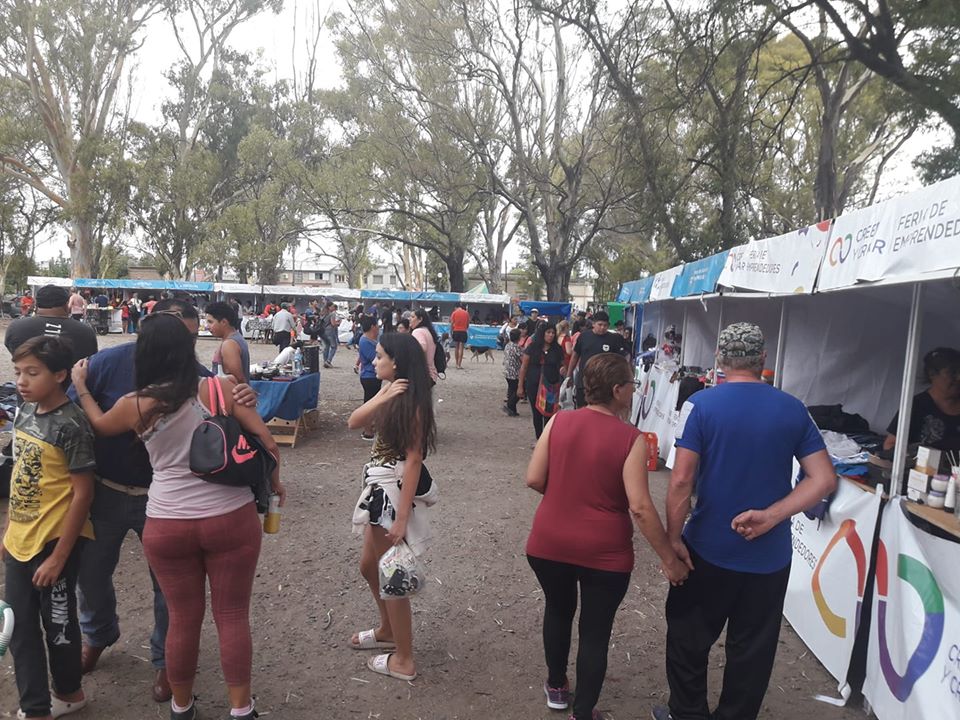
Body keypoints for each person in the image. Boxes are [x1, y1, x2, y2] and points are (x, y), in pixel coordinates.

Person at [71, 312, 284, 720]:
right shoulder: (219, 389)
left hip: (167, 522)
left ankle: (181, 706)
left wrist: (82, 386)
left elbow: (98, 424)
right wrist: (275, 480)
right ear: (188, 349)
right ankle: (242, 709)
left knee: (183, 618)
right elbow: (268, 443)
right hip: (230, 517)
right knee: (233, 615)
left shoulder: (136, 404)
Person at [653, 323, 836, 720]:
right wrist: (772, 516)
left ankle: (687, 714)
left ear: (719, 360)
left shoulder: (702, 405)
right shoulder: (792, 407)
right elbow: (823, 478)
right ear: (763, 361)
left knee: (688, 640)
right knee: (752, 650)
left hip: (708, 548)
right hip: (769, 557)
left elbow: (682, 479)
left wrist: (673, 539)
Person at [526, 353, 690, 720]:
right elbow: (641, 507)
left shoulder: (558, 422)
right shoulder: (631, 439)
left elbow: (534, 478)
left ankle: (556, 685)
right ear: (617, 391)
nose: (635, 388)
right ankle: (583, 712)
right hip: (605, 551)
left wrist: (569, 493)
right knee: (595, 631)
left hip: (549, 540)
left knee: (557, 609)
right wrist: (669, 558)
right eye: (631, 383)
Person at [4, 336, 96, 720]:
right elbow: (20, 474)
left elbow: (82, 494)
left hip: (54, 543)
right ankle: (36, 708)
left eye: (32, 373)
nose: (22, 382)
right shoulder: (24, 411)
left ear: (60, 375)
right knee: (18, 628)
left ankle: (69, 693)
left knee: (58, 625)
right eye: (18, 373)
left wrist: (59, 557)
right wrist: (9, 527)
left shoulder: (72, 425)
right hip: (18, 541)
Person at [346, 332, 438, 682]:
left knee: (391, 576)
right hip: (378, 489)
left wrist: (400, 520)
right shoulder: (392, 393)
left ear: (396, 361)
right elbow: (357, 421)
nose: (373, 360)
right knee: (370, 566)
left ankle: (404, 658)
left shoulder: (413, 402)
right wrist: (383, 394)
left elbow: (414, 460)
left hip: (389, 495)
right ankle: (387, 631)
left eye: (380, 356)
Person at [884, 347, 960, 452]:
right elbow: (890, 444)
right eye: (952, 373)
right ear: (932, 374)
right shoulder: (917, 405)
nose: (958, 378)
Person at [4, 285, 98, 364]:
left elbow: (14, 352)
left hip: (28, 384)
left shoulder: (16, 328)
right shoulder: (85, 332)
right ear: (66, 305)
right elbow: (89, 360)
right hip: (70, 385)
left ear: (36, 304)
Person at [567, 312, 627, 409]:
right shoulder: (584, 336)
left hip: (604, 384)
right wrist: (569, 375)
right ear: (593, 324)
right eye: (600, 325)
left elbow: (619, 360)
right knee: (582, 410)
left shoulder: (613, 339)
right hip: (584, 382)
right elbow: (575, 356)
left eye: (605, 325)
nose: (602, 328)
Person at [518, 322, 565, 439]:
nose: (551, 335)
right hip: (533, 384)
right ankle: (539, 439)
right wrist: (520, 386)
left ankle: (547, 439)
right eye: (548, 332)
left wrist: (563, 369)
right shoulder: (532, 348)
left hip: (551, 385)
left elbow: (562, 365)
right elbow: (524, 367)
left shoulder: (557, 349)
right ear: (542, 333)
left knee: (549, 413)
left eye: (553, 333)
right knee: (537, 413)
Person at [205, 301, 251, 383]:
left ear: (224, 322)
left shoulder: (229, 344)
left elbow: (238, 379)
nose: (207, 326)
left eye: (210, 322)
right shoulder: (235, 338)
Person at [356, 316, 381, 440]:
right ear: (372, 326)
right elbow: (375, 359)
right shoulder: (366, 341)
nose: (378, 328)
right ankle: (367, 430)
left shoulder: (370, 340)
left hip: (373, 376)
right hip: (369, 376)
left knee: (373, 403)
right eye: (377, 325)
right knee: (369, 404)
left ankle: (371, 426)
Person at [409, 309, 439, 384]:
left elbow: (422, 348)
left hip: (422, 374)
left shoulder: (418, 331)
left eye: (412, 317)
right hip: (431, 374)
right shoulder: (427, 331)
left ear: (420, 319)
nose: (409, 319)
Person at [502, 327, 522, 417]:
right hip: (515, 373)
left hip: (507, 371)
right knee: (519, 391)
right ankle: (510, 405)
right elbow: (522, 358)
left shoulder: (507, 345)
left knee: (511, 390)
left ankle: (512, 410)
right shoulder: (516, 347)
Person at [450, 303, 470, 370]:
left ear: (456, 307)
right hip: (463, 331)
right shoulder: (466, 313)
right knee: (461, 348)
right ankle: (459, 364)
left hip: (456, 331)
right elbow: (467, 324)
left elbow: (452, 323)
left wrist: (451, 332)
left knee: (456, 347)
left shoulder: (454, 313)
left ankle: (456, 363)